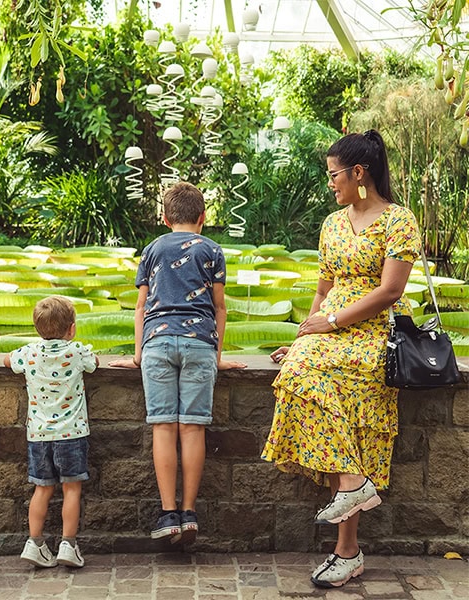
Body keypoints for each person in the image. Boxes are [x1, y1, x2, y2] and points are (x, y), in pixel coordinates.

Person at [262, 130, 420, 589]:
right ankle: (354, 491)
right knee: (300, 376)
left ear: (358, 173)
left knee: (354, 421)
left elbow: (390, 291)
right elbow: (323, 288)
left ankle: (346, 550)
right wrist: (305, 334)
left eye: (334, 174)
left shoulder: (399, 221)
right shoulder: (332, 223)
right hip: (330, 327)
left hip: (371, 331)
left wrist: (330, 323)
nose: (329, 182)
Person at [110, 182, 245, 545]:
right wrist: (216, 358)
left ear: (166, 218)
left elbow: (140, 307)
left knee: (164, 428)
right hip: (199, 344)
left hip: (156, 344)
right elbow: (219, 308)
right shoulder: (213, 250)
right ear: (203, 217)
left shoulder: (152, 249)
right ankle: (189, 512)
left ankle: (168, 513)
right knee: (193, 429)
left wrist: (139, 355)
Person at [4, 296, 97, 568]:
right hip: (72, 434)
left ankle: (35, 543)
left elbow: (9, 360)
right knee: (71, 490)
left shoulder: (28, 352)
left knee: (42, 490)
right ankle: (68, 544)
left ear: (36, 328)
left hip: (39, 435)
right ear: (72, 328)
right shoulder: (77, 351)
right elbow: (94, 363)